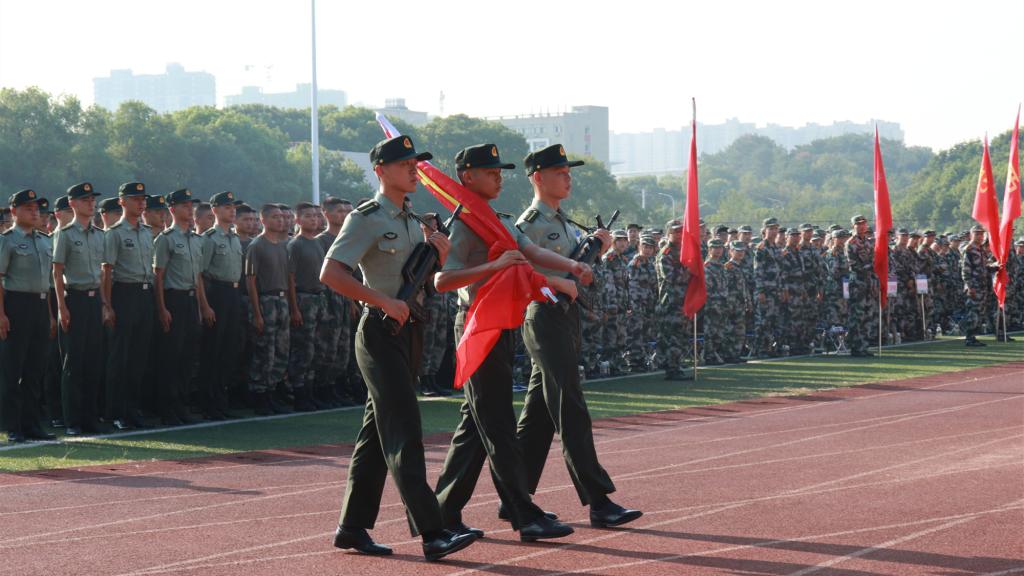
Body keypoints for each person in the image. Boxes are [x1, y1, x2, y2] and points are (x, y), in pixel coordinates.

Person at [320, 135, 478, 560]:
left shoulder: (413, 220)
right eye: (405, 163)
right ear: (380, 171)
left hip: (409, 330)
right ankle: (433, 531)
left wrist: (440, 256)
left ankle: (352, 527)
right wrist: (381, 301)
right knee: (405, 429)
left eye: (415, 163)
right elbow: (331, 273)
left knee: (377, 434)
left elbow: (424, 282)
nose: (414, 169)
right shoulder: (367, 217)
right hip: (378, 332)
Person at [431, 143, 576, 542]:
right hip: (477, 324)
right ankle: (522, 513)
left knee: (476, 426)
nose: (499, 178)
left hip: (501, 324)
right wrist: (493, 265)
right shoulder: (463, 224)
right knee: (497, 424)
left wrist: (566, 271)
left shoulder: (496, 219)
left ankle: (443, 512)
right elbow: (443, 280)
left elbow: (528, 254)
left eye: (500, 172)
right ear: (467, 177)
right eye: (491, 172)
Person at [514, 143, 642, 528]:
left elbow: (577, 269)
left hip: (566, 316)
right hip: (544, 315)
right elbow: (524, 272)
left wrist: (597, 248)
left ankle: (514, 497)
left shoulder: (565, 222)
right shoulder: (530, 223)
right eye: (561, 173)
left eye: (569, 173)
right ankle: (599, 501)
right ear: (538, 178)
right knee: (570, 405)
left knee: (539, 416)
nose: (568, 179)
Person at [0, 189, 57, 442]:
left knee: (35, 369)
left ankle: (32, 424)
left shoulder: (44, 241)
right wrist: (1, 314)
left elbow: (46, 284)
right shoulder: (7, 240)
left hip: (40, 306)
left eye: (36, 209)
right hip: (16, 305)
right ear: (14, 211)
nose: (35, 213)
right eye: (28, 208)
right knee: (13, 369)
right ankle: (13, 426)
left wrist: (50, 316)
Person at [100, 182, 154, 430]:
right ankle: (115, 411)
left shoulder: (146, 232)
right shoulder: (114, 233)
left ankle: (133, 409)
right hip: (124, 294)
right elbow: (107, 271)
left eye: (143, 199)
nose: (141, 203)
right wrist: (107, 305)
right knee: (119, 357)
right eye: (135, 199)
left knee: (139, 357)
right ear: (122, 202)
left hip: (144, 294)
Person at [52, 182, 105, 436]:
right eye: (85, 200)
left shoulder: (99, 234)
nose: (91, 204)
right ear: (72, 204)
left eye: (92, 200)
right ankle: (72, 420)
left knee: (93, 361)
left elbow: (103, 273)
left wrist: (104, 304)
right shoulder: (65, 233)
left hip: (94, 300)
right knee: (73, 362)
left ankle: (89, 417)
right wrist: (62, 307)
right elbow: (57, 272)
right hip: (74, 298)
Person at [153, 188, 208, 425]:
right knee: (171, 356)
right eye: (185, 205)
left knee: (188, 355)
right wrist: (162, 308)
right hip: (173, 299)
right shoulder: (165, 239)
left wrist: (202, 306)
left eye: (191, 205)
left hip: (190, 300)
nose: (190, 209)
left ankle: (182, 405)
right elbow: (158, 276)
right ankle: (167, 407)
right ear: (172, 209)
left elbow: (198, 277)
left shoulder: (196, 240)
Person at [198, 191, 245, 420]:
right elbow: (200, 274)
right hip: (216, 293)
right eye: (227, 207)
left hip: (234, 294)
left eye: (233, 207)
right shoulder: (209, 238)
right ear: (214, 210)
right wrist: (205, 306)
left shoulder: (234, 238)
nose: (232, 211)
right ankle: (208, 403)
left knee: (229, 349)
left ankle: (221, 400)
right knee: (213, 350)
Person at [245, 204, 293, 415]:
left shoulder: (284, 246)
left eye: (282, 217)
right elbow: (250, 281)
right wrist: (257, 313)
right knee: (265, 350)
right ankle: (259, 394)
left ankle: (272, 391)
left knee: (281, 349)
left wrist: (292, 307)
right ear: (263, 220)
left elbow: (289, 279)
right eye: (275, 217)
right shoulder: (256, 245)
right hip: (266, 300)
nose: (280, 220)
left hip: (282, 301)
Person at [286, 201, 326, 412]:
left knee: (315, 348)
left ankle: (310, 391)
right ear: (298, 220)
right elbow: (290, 278)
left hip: (318, 299)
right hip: (303, 298)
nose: (314, 219)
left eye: (316, 216)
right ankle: (298, 392)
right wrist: (294, 308)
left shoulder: (318, 243)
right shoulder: (295, 244)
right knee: (303, 348)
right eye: (308, 216)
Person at [845, 215, 877, 356]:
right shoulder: (851, 243)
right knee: (858, 316)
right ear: (853, 226)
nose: (861, 226)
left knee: (868, 315)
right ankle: (856, 347)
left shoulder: (868, 243)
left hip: (868, 282)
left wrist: (874, 279)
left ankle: (864, 346)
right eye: (858, 224)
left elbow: (873, 260)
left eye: (863, 223)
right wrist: (870, 267)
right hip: (858, 283)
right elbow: (853, 265)